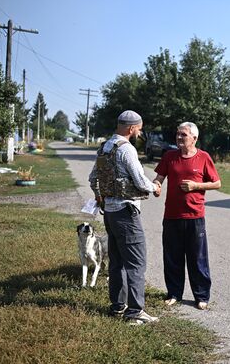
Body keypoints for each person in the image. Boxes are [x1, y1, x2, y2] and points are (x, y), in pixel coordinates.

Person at [89, 109, 161, 325]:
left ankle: (118, 306)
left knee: (117, 261)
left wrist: (101, 198)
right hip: (126, 213)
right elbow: (140, 181)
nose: (140, 132)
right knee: (136, 262)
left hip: (109, 212)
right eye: (139, 128)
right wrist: (154, 187)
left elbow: (93, 178)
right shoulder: (127, 149)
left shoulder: (105, 147)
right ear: (131, 128)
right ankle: (135, 312)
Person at [153, 122, 221, 310]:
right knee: (172, 257)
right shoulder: (169, 156)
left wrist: (196, 186)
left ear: (194, 138)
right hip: (172, 216)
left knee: (197, 259)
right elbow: (159, 177)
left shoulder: (203, 157)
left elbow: (217, 183)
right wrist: (156, 186)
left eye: (183, 134)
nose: (179, 137)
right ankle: (174, 294)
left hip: (195, 216)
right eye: (177, 134)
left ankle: (201, 296)